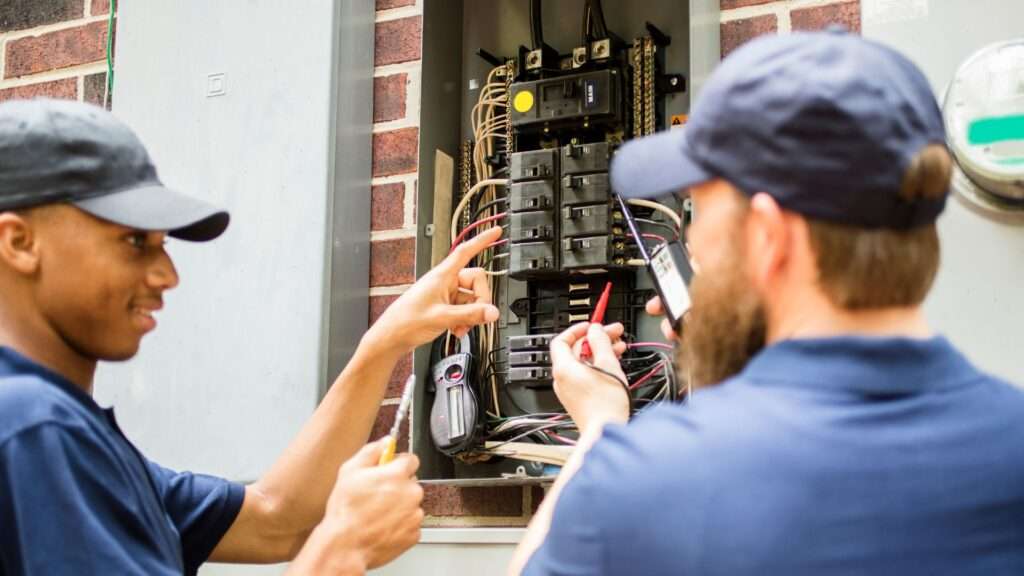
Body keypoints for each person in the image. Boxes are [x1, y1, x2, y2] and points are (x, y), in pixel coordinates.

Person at [510, 30, 1024, 575]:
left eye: (699, 215)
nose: (694, 245)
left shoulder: (650, 482)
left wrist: (599, 428)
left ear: (768, 237)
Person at [0, 98, 503, 575]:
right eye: (133, 241)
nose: (167, 274)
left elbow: (275, 521)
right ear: (19, 242)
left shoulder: (73, 437)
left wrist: (386, 341)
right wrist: (337, 551)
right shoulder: (30, 424)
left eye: (162, 244)